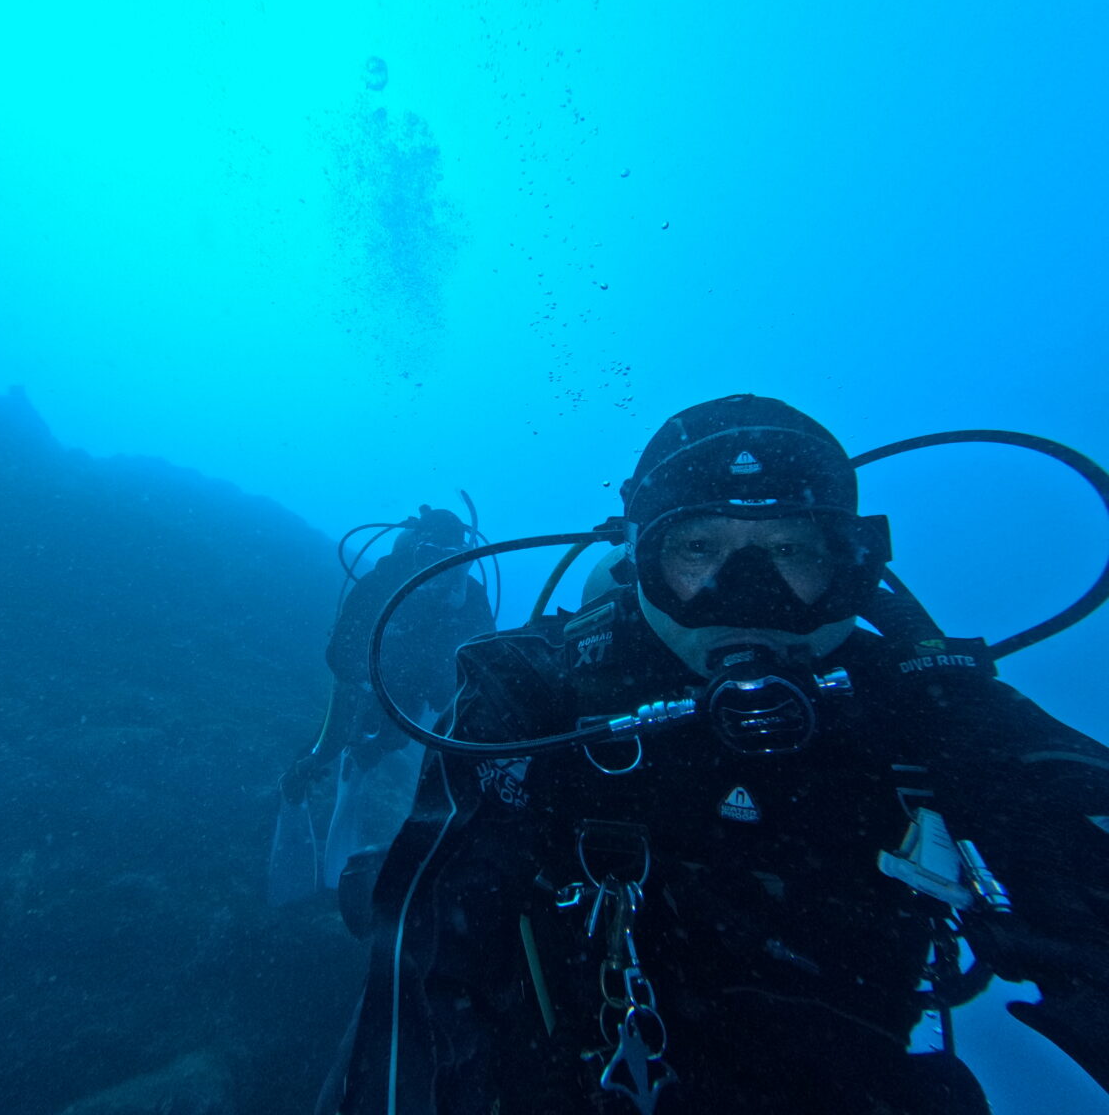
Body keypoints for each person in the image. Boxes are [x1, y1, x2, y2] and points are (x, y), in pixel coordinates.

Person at [328, 395, 1109, 1114]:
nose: (749, 595)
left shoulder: (928, 704)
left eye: (791, 549)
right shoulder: (534, 694)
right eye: (698, 547)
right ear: (641, 562)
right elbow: (428, 961)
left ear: (850, 565)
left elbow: (1064, 804)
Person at [271, 504, 495, 901]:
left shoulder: (470, 597)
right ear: (416, 550)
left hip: (413, 691)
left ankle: (358, 763)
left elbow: (484, 659)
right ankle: (299, 779)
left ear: (463, 559)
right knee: (327, 745)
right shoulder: (384, 581)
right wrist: (367, 682)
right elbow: (340, 651)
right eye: (430, 555)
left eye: (450, 559)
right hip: (362, 684)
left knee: (388, 744)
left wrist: (447, 689)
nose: (438, 569)